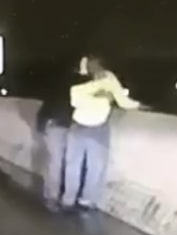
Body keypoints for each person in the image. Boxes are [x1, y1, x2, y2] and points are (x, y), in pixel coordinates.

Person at [61, 56, 141, 211]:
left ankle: (69, 200)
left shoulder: (82, 80)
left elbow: (75, 99)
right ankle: (84, 200)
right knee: (94, 166)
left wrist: (95, 92)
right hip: (95, 127)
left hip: (80, 126)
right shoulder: (105, 80)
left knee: (76, 166)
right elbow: (123, 101)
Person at [36, 57, 84, 210]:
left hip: (55, 125)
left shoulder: (56, 84)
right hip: (67, 125)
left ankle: (52, 196)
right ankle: (60, 198)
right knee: (65, 163)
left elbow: (45, 106)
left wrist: (41, 126)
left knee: (56, 162)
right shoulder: (79, 84)